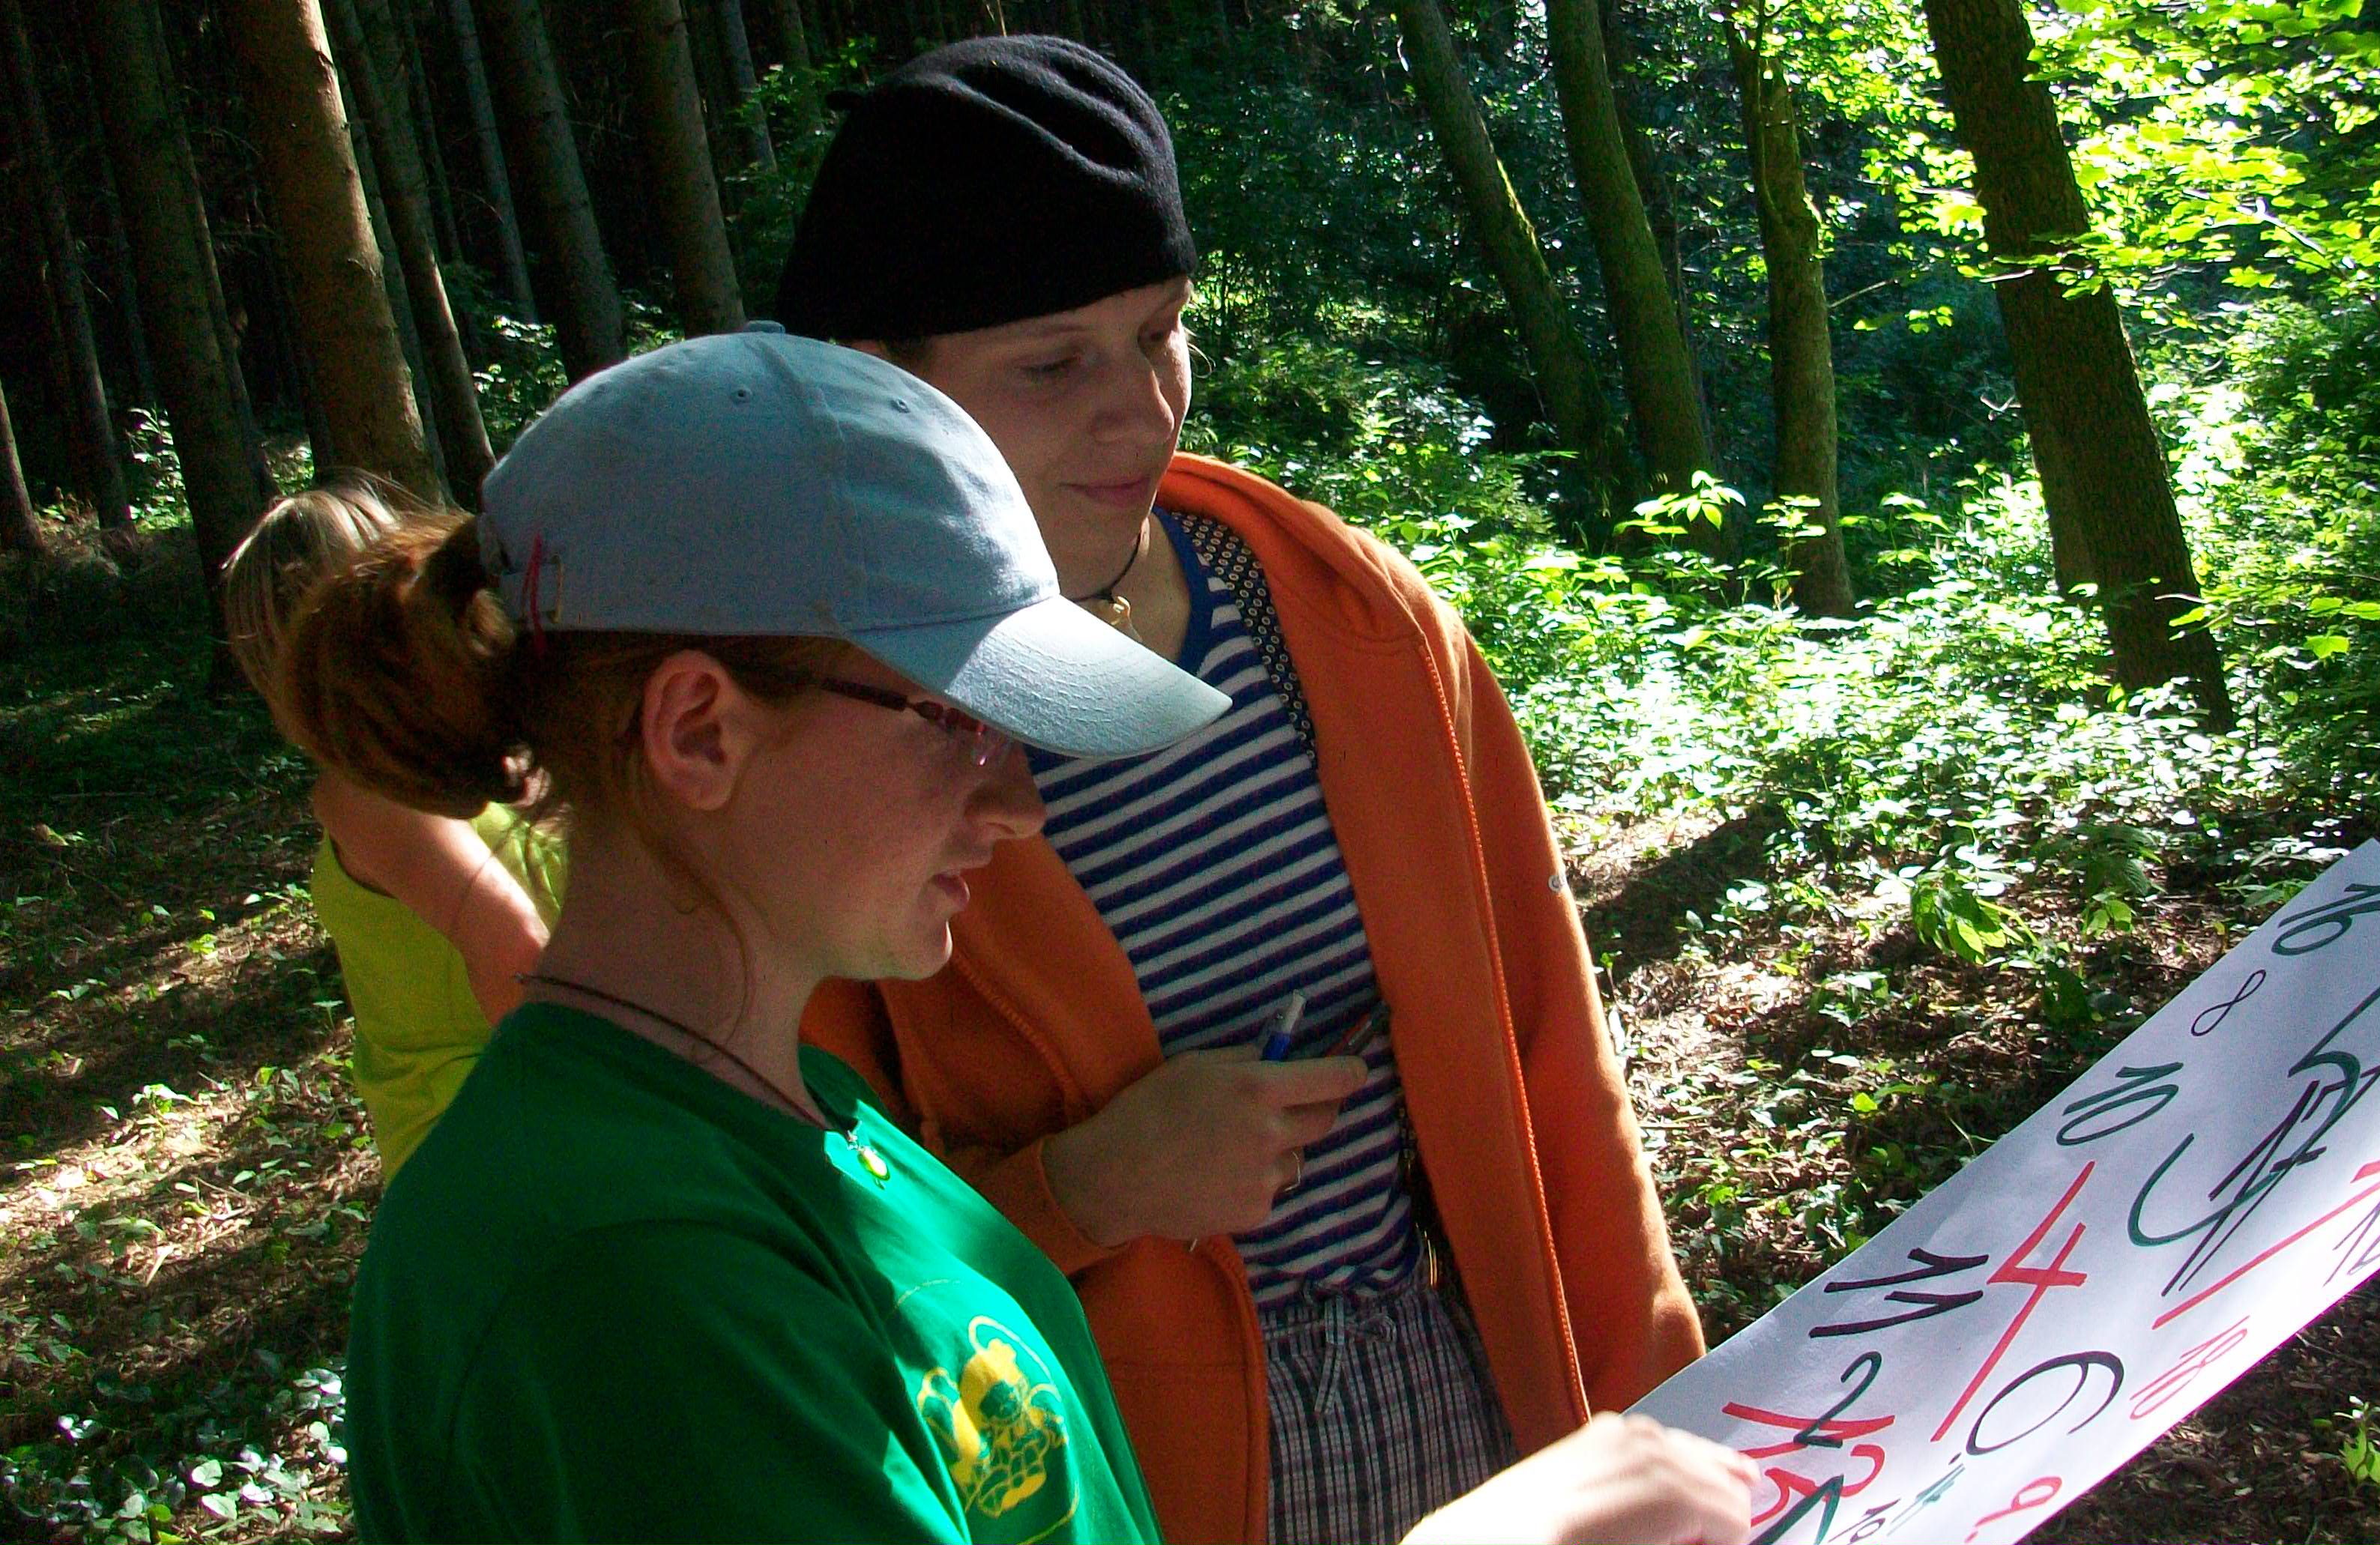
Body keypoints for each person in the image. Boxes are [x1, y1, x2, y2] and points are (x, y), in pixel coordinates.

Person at [284, 327, 1753, 1544]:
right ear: (698, 730)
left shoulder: (804, 1120)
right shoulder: (623, 1277)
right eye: (954, 719)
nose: (1018, 802)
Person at [779, 36, 1706, 1545]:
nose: (1139, 409)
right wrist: (1084, 1187)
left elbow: (1549, 1059)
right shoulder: (827, 732)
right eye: (1052, 363)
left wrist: (1656, 1401)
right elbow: (796, 1250)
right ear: (884, 382)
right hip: (1105, 1474)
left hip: (1468, 1405)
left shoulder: (1343, 621)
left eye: (1158, 334)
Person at [221, 481, 562, 1182]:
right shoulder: (415, 776)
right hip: (507, 1145)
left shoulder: (396, 778)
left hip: (507, 1143)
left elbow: (521, 950)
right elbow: (522, 950)